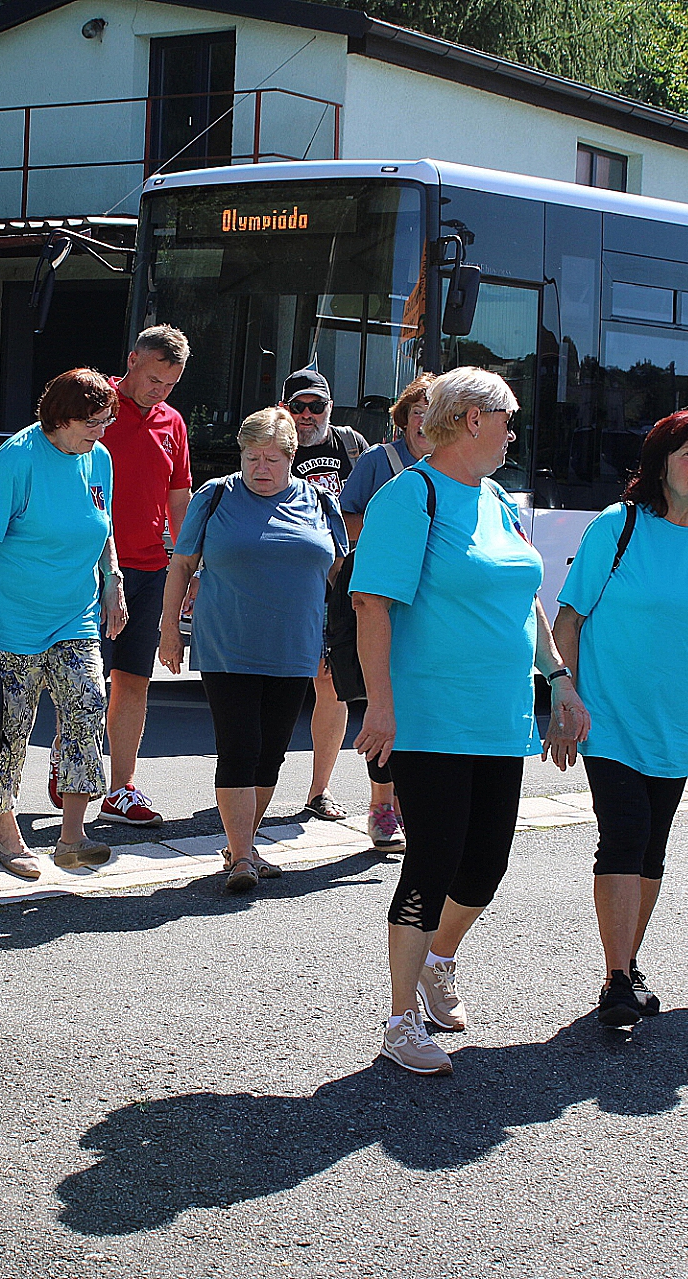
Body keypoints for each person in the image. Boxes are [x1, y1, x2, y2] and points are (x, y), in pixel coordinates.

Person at [350, 367, 589, 1075]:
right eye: (508, 420)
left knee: (485, 865)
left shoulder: (497, 499)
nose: (514, 435)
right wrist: (382, 704)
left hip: (500, 715)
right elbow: (371, 604)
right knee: (432, 860)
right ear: (472, 419)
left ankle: (438, 959)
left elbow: (527, 601)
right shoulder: (410, 496)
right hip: (431, 717)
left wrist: (559, 680)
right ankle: (400, 1019)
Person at [552, 406, 688, 1029]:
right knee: (625, 832)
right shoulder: (617, 527)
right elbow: (569, 620)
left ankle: (626, 963)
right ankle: (619, 979)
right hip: (609, 716)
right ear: (660, 465)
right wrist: (563, 701)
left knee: (652, 847)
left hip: (679, 721)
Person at [158, 407, 347, 892]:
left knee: (271, 753)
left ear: (291, 457)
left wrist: (341, 639)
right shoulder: (216, 496)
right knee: (239, 747)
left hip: (296, 646)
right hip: (228, 644)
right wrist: (169, 630)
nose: (260, 468)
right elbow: (182, 565)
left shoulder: (320, 502)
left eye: (272, 459)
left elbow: (338, 574)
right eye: (251, 457)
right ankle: (242, 854)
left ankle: (240, 842)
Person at [0, 367, 127, 880]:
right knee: (10, 729)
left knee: (88, 707)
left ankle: (72, 836)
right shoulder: (18, 459)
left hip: (75, 615)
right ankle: (5, 831)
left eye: (106, 421)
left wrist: (113, 579)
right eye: (92, 422)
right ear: (61, 417)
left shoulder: (98, 458)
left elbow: (102, 526)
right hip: (10, 621)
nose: (101, 431)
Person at [87, 325, 192, 829]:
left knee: (133, 679)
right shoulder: (93, 403)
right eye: (153, 380)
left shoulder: (172, 421)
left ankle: (120, 788)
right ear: (132, 361)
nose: (160, 391)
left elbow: (178, 499)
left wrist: (189, 566)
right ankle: (70, 756)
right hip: (90, 567)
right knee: (85, 677)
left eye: (170, 384)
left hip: (150, 567)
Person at [334, 373, 436, 852]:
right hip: (384, 596)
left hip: (430, 602)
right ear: (404, 419)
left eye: (433, 413)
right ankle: (381, 805)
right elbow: (345, 518)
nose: (425, 422)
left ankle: (410, 804)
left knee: (419, 706)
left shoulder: (458, 466)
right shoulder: (380, 461)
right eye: (417, 412)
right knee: (383, 700)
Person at [280, 366, 369, 822]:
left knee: (331, 686)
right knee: (275, 685)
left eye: (316, 406)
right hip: (288, 583)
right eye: (298, 406)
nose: (307, 415)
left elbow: (374, 505)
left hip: (338, 585)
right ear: (284, 408)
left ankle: (319, 790)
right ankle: (252, 784)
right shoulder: (273, 446)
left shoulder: (351, 446)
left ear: (330, 408)